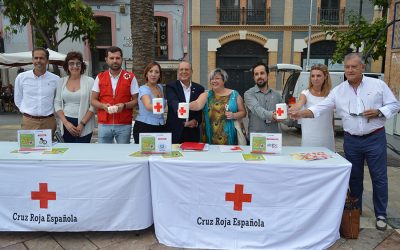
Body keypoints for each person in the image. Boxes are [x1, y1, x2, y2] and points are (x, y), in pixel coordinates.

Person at [289, 53, 400, 231]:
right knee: (354, 177)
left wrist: (379, 111)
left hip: (375, 138)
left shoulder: (377, 85)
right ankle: (355, 210)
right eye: (347, 67)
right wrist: (299, 113)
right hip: (352, 140)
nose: (349, 70)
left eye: (354, 67)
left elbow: (395, 105)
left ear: (362, 68)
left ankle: (380, 213)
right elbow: (319, 108)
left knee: (379, 177)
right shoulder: (339, 91)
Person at [91, 46, 139, 144]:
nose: (115, 61)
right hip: (104, 123)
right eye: (111, 58)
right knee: (104, 155)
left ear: (122, 59)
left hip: (124, 124)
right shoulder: (100, 77)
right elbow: (93, 100)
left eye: (117, 58)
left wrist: (124, 105)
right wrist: (102, 106)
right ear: (106, 60)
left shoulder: (130, 77)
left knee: (123, 154)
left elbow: (136, 100)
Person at [189, 68, 246, 145]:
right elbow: (197, 104)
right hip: (210, 137)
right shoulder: (206, 95)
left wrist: (234, 115)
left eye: (217, 78)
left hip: (230, 137)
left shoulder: (234, 95)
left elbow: (243, 112)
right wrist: (186, 106)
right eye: (212, 79)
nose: (214, 81)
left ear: (224, 80)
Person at [289, 64, 335, 151]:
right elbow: (299, 104)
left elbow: (331, 116)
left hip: (327, 138)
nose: (315, 78)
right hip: (310, 138)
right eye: (312, 76)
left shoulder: (331, 94)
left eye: (318, 76)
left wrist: (333, 130)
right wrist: (292, 109)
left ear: (325, 77)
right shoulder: (305, 93)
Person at [14, 47, 59, 135]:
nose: (38, 60)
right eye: (36, 58)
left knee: (49, 148)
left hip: (48, 122)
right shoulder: (21, 77)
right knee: (28, 148)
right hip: (28, 122)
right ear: (32, 60)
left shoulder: (56, 79)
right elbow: (18, 99)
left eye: (41, 58)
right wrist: (28, 113)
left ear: (47, 60)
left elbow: (57, 100)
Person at [54, 51, 95, 143]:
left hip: (85, 123)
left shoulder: (90, 81)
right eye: (71, 63)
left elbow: (93, 105)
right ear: (67, 66)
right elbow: (57, 103)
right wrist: (66, 123)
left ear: (82, 65)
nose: (75, 66)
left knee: (82, 153)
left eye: (78, 63)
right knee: (68, 153)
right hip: (66, 123)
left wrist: (82, 124)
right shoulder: (61, 81)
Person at [165, 61, 204, 143]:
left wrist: (195, 121)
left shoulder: (199, 88)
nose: (184, 72)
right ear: (178, 72)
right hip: (175, 131)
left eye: (186, 69)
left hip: (192, 132)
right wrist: (184, 123)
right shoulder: (171, 87)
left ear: (191, 72)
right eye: (181, 69)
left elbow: (200, 110)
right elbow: (174, 103)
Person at [244, 62, 283, 134]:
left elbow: (284, 114)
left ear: (267, 75)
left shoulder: (277, 95)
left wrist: (287, 115)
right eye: (256, 74)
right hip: (256, 138)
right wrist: (273, 116)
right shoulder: (248, 94)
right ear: (253, 78)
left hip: (273, 138)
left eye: (262, 73)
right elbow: (257, 109)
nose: (259, 76)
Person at [132, 62, 165, 144]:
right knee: (144, 155)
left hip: (160, 125)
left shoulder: (160, 87)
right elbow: (148, 106)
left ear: (160, 75)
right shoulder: (143, 89)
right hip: (144, 126)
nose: (153, 74)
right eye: (150, 71)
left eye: (156, 72)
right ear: (146, 74)